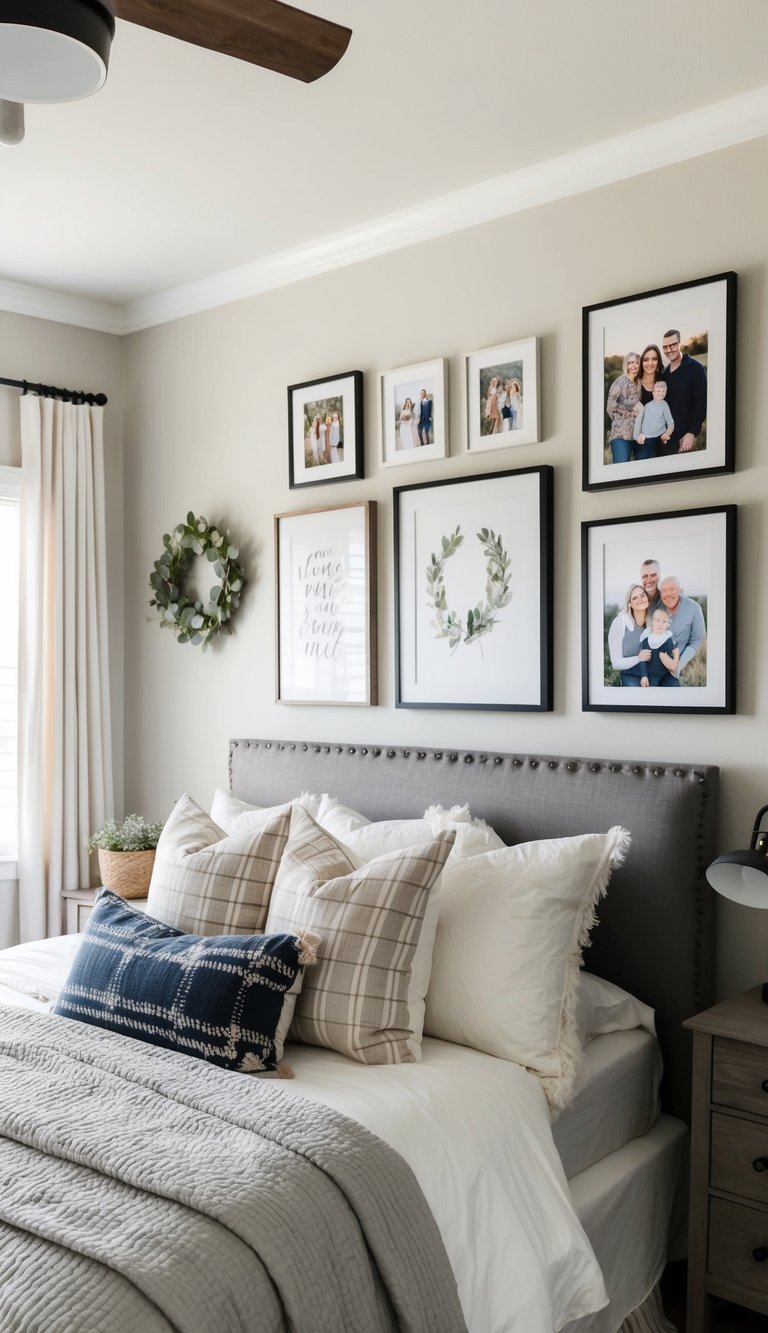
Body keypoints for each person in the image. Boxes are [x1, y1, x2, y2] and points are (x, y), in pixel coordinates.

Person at [660, 329, 707, 456]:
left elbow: (701, 404)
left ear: (680, 343)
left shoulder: (696, 368)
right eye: (665, 347)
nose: (669, 350)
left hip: (683, 440)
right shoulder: (664, 374)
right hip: (664, 439)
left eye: (673, 345)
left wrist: (692, 433)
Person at [658, 576, 707, 677]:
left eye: (672, 589)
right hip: (657, 666)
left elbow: (698, 640)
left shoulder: (694, 608)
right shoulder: (656, 609)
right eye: (664, 590)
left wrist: (678, 666)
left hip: (684, 667)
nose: (668, 594)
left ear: (679, 590)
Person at [607, 584, 652, 686]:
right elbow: (616, 663)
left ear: (647, 598)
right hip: (631, 675)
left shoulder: (654, 621)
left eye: (643, 595)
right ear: (629, 604)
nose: (640, 599)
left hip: (653, 673)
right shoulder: (620, 622)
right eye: (635, 598)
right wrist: (639, 658)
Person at [624, 608, 681, 688]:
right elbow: (643, 660)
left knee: (675, 685)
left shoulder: (667, 639)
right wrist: (644, 676)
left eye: (664, 621)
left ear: (668, 625)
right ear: (652, 623)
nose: (660, 624)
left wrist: (672, 659)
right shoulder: (647, 639)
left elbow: (671, 657)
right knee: (649, 690)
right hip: (650, 673)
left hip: (664, 673)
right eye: (657, 620)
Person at [606, 353, 642, 463]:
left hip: (636, 436)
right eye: (631, 362)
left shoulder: (639, 384)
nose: (634, 365)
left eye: (636, 362)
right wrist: (630, 412)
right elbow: (610, 407)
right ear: (626, 364)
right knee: (620, 472)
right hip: (621, 436)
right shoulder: (620, 382)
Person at [633, 381, 674, 458]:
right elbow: (641, 421)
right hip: (646, 437)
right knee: (641, 457)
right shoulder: (647, 406)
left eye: (663, 391)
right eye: (658, 390)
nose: (661, 393)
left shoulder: (664, 405)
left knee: (656, 457)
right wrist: (639, 434)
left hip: (659, 437)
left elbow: (671, 423)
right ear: (653, 393)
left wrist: (668, 433)